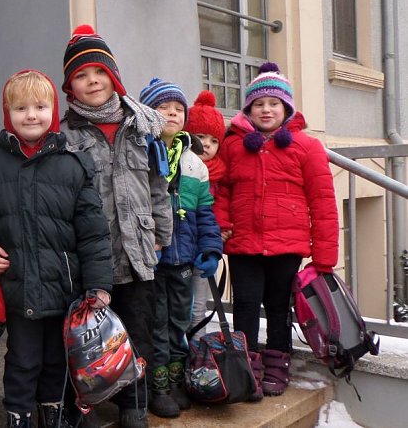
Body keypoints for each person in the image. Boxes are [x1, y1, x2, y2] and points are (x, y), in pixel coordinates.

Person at [0, 69, 113, 428]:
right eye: (21, 109)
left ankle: (53, 416)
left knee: (56, 361)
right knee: (22, 359)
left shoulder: (73, 165)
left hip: (63, 287)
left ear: (52, 111)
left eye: (39, 107)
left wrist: (98, 285)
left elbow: (93, 233)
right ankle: (17, 417)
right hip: (18, 286)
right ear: (8, 113)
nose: (30, 115)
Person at [59, 24, 172, 428]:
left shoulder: (140, 126)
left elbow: (158, 184)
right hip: (92, 253)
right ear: (70, 85)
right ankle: (84, 402)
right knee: (88, 335)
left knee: (138, 327)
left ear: (113, 76)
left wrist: (161, 234)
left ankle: (133, 404)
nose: (92, 81)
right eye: (81, 76)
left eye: (99, 73)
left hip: (138, 247)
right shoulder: (65, 132)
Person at [213, 62, 339, 398]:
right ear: (248, 109)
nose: (266, 110)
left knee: (280, 306)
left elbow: (323, 201)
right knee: (245, 304)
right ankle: (245, 363)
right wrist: (221, 225)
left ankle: (277, 363)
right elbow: (222, 190)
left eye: (274, 104)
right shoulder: (233, 145)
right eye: (259, 104)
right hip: (242, 242)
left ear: (286, 109)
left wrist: (325, 256)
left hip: (288, 244)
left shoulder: (306, 147)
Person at [138, 79, 222, 417]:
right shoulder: (141, 152)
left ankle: (175, 379)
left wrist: (211, 248)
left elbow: (205, 212)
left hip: (184, 258)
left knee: (179, 321)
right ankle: (157, 387)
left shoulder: (194, 163)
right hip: (153, 259)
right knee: (156, 322)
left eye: (178, 110)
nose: (172, 114)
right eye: (163, 108)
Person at [183, 90, 227, 344]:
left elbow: (219, 207)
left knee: (198, 305)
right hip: (182, 246)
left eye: (213, 140)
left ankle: (197, 351)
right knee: (180, 304)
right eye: (200, 137)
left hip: (206, 247)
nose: (207, 145)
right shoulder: (181, 167)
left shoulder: (221, 175)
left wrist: (223, 228)